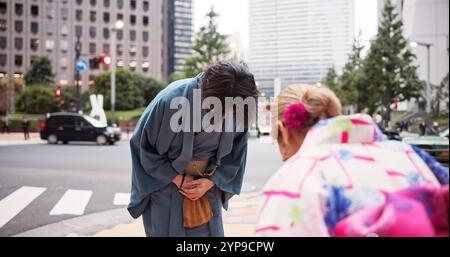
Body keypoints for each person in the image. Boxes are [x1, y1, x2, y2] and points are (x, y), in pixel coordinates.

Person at [255, 84, 448, 237]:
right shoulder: (409, 154)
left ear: (283, 131)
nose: (283, 157)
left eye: (276, 140)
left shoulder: (297, 176)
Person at [128, 61, 259, 237]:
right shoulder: (171, 100)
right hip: (167, 186)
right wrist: (179, 180)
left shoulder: (239, 106)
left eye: (233, 110)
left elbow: (237, 153)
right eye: (224, 108)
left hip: (206, 187)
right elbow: (143, 147)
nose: (228, 115)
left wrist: (212, 181)